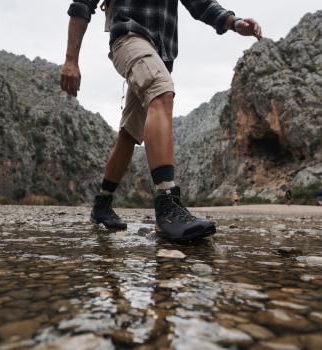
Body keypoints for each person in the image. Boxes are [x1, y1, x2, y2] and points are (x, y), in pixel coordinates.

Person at [61, 0, 262, 242]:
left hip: (160, 56)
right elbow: (82, 4)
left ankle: (101, 205)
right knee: (161, 91)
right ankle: (167, 206)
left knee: (130, 133)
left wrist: (234, 22)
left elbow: (202, 4)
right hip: (128, 37)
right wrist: (71, 60)